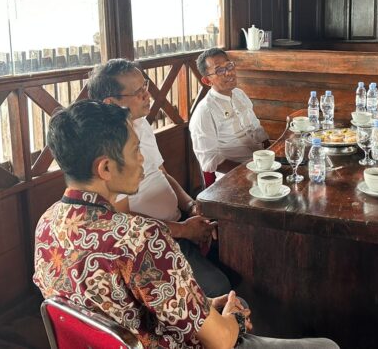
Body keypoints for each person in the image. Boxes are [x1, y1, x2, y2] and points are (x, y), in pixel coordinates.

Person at [34, 100, 338, 349]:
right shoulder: (142, 238)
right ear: (105, 168)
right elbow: (221, 341)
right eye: (135, 151)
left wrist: (203, 303)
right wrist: (232, 318)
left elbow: (125, 306)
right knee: (327, 345)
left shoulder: (46, 224)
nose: (142, 160)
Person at [87, 58, 230, 297]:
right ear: (111, 103)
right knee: (219, 286)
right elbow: (124, 220)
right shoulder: (108, 150)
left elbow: (161, 173)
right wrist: (183, 230)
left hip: (178, 222)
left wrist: (191, 206)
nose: (147, 95)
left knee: (235, 242)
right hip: (151, 241)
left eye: (145, 86)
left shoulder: (141, 124)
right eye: (138, 92)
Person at [190, 48, 269, 185]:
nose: (229, 72)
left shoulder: (239, 94)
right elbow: (209, 159)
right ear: (207, 81)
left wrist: (272, 157)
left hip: (262, 166)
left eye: (229, 66)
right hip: (233, 178)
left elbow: (257, 130)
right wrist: (248, 172)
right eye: (220, 70)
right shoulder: (204, 112)